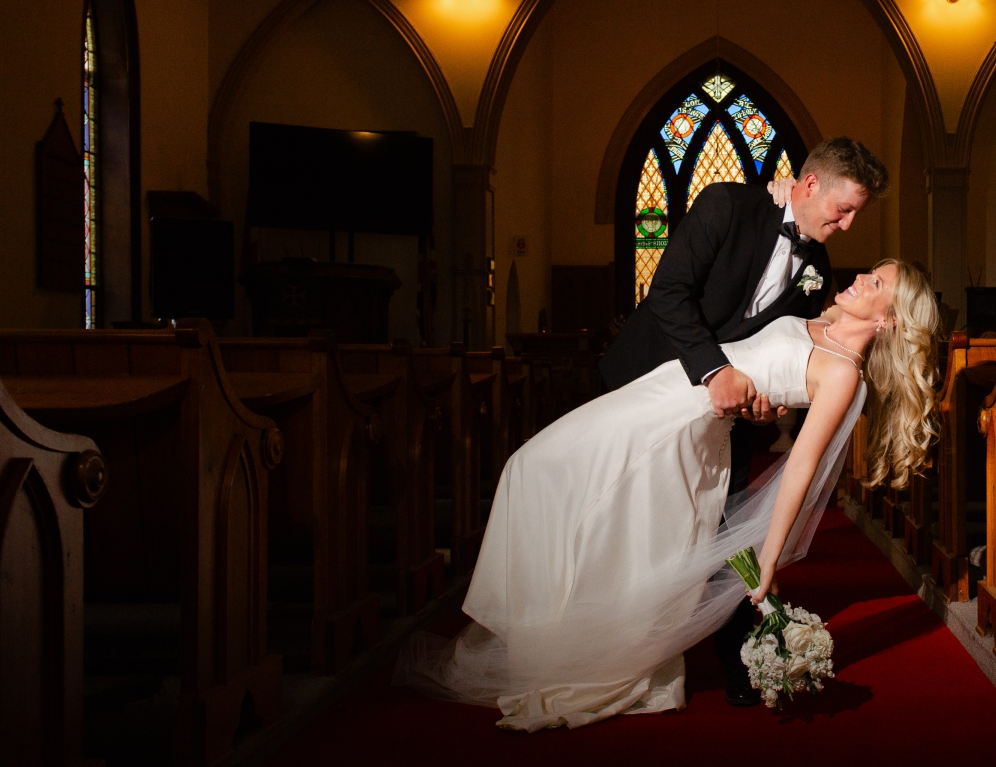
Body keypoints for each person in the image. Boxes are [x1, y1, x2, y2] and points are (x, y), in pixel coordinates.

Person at [394, 260, 939, 731]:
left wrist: (768, 559)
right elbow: (762, 367)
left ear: (889, 320)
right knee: (558, 487)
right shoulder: (821, 321)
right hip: (671, 387)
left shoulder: (843, 374)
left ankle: (576, 657)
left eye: (876, 284)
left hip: (683, 427)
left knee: (545, 476)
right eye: (869, 273)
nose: (861, 279)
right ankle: (545, 634)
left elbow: (800, 464)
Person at [599, 137, 887, 705]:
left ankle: (738, 659)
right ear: (809, 186)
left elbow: (788, 354)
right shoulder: (727, 206)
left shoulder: (819, 269)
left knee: (726, 524)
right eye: (844, 208)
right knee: (629, 519)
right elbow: (669, 293)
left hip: (723, 419)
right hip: (649, 383)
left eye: (857, 212)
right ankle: (610, 637)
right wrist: (714, 373)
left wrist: (770, 404)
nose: (849, 224)